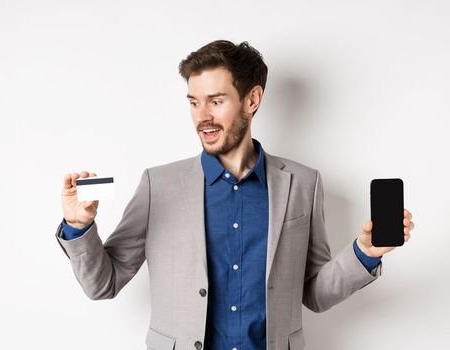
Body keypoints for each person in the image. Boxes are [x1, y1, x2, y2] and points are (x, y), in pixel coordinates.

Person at [54, 40, 416, 350]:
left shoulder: (303, 183)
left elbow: (315, 294)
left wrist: (365, 253)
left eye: (216, 101)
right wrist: (78, 225)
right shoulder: (158, 185)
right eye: (194, 102)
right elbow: (103, 284)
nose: (202, 117)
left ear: (252, 99)